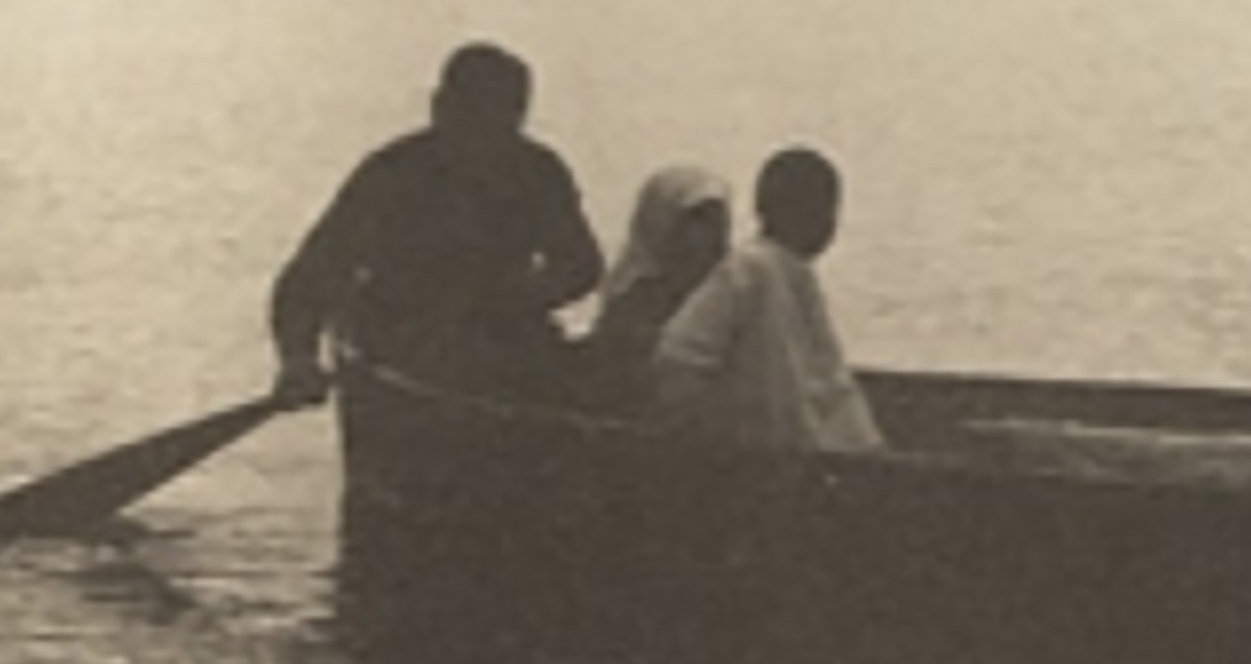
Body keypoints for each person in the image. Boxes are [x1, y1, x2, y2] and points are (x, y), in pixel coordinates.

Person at [268, 40, 605, 403]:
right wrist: (298, 359)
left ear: (516, 117)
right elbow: (310, 278)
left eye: (496, 119)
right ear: (442, 108)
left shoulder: (538, 173)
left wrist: (511, 302)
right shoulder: (392, 173)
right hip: (402, 344)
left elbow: (581, 265)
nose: (479, 138)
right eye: (470, 114)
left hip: (499, 345)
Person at [651, 146, 883, 452]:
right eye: (819, 211)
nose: (828, 224)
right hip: (754, 454)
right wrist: (718, 433)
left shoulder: (792, 272)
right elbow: (678, 357)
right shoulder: (750, 270)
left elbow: (823, 379)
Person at [574, 165, 732, 406]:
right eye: (700, 220)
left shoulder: (733, 299)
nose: (716, 233)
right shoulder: (634, 306)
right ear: (664, 225)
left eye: (719, 220)